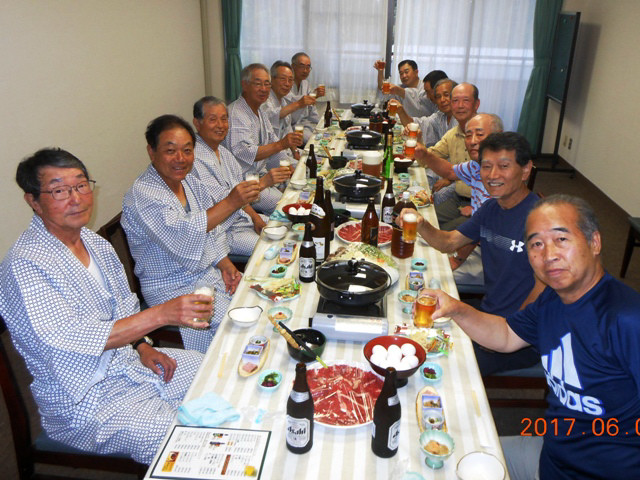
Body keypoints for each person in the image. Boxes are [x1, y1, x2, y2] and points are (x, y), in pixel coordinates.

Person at [0, 148, 207, 464]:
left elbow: (123, 307)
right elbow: (68, 339)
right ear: (34, 201)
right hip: (86, 401)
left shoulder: (94, 243)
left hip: (128, 365)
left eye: (81, 185)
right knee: (180, 440)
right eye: (59, 191)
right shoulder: (25, 265)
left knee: (209, 371)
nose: (76, 199)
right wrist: (162, 314)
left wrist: (142, 346)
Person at [426, 194, 640, 479]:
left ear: (595, 242)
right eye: (536, 244)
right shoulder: (552, 299)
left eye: (561, 239)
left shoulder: (627, 319)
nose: (548, 254)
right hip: (550, 458)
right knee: (443, 461)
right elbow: (505, 336)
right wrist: (457, 309)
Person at [400, 132, 544, 374]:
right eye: (486, 166)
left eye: (504, 166)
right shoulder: (491, 208)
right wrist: (421, 224)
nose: (493, 175)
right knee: (411, 324)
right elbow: (449, 243)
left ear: (526, 170)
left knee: (434, 362)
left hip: (522, 338)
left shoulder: (542, 220)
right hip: (489, 315)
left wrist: (507, 332)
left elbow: (544, 290)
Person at [123, 115, 241, 353]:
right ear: (151, 151)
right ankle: (217, 368)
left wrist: (225, 264)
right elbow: (185, 236)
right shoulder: (143, 194)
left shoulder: (190, 183)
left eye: (187, 150)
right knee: (236, 324)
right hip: (170, 286)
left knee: (253, 297)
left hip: (205, 274)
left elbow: (212, 229)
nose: (180, 158)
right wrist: (231, 202)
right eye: (170, 151)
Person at [192, 96, 276, 255]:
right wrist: (262, 183)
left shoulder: (224, 153)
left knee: (287, 228)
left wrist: (255, 218)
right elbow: (228, 199)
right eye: (213, 119)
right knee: (273, 250)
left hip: (243, 218)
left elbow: (239, 191)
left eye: (224, 119)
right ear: (197, 123)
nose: (220, 125)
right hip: (225, 231)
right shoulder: (195, 158)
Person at [224, 63, 299, 214]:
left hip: (263, 175)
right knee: (287, 206)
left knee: (301, 175)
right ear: (245, 85)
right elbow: (245, 152)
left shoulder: (260, 111)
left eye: (267, 84)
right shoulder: (237, 113)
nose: (264, 89)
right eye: (258, 84)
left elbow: (273, 143)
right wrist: (282, 144)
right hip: (245, 182)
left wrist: (289, 166)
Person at [415, 82, 480, 230]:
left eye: (466, 100)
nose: (460, 106)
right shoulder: (453, 134)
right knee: (422, 220)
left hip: (482, 205)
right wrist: (420, 145)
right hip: (459, 198)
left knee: (437, 233)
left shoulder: (487, 133)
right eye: (455, 101)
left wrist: (479, 207)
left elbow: (503, 182)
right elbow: (427, 159)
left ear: (476, 104)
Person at [394, 78, 458, 147]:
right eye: (438, 97)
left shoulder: (461, 119)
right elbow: (419, 124)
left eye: (446, 95)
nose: (442, 100)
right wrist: (401, 111)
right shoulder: (440, 116)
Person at [263, 60, 316, 143]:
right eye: (283, 79)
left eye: (290, 80)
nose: (287, 84)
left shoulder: (283, 101)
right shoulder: (264, 99)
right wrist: (299, 104)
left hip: (287, 147)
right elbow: (272, 115)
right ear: (271, 79)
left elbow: (288, 130)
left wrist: (294, 149)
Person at [374, 60, 442, 118]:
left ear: (416, 72)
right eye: (401, 73)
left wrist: (401, 91)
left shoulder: (426, 89)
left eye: (406, 72)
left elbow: (421, 105)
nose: (404, 76)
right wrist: (380, 71)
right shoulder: (400, 88)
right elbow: (382, 88)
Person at [285, 52, 324, 143]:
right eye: (302, 66)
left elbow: (311, 109)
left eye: (308, 67)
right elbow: (290, 112)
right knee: (316, 141)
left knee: (325, 134)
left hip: (306, 124)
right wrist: (303, 101)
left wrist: (320, 124)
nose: (305, 70)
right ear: (292, 66)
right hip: (292, 127)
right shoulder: (286, 85)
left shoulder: (305, 83)